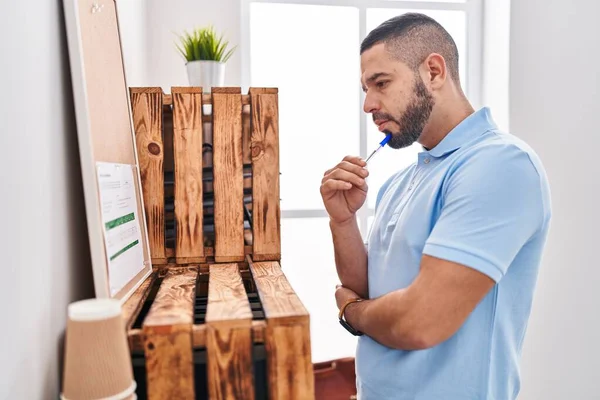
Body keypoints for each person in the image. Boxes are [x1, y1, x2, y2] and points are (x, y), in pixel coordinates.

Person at [319, 12, 552, 400]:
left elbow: (418, 322)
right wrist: (343, 221)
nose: (368, 104)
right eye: (365, 88)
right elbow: (365, 288)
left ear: (433, 71)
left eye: (381, 83)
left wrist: (351, 314)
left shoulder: (500, 165)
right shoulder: (398, 183)